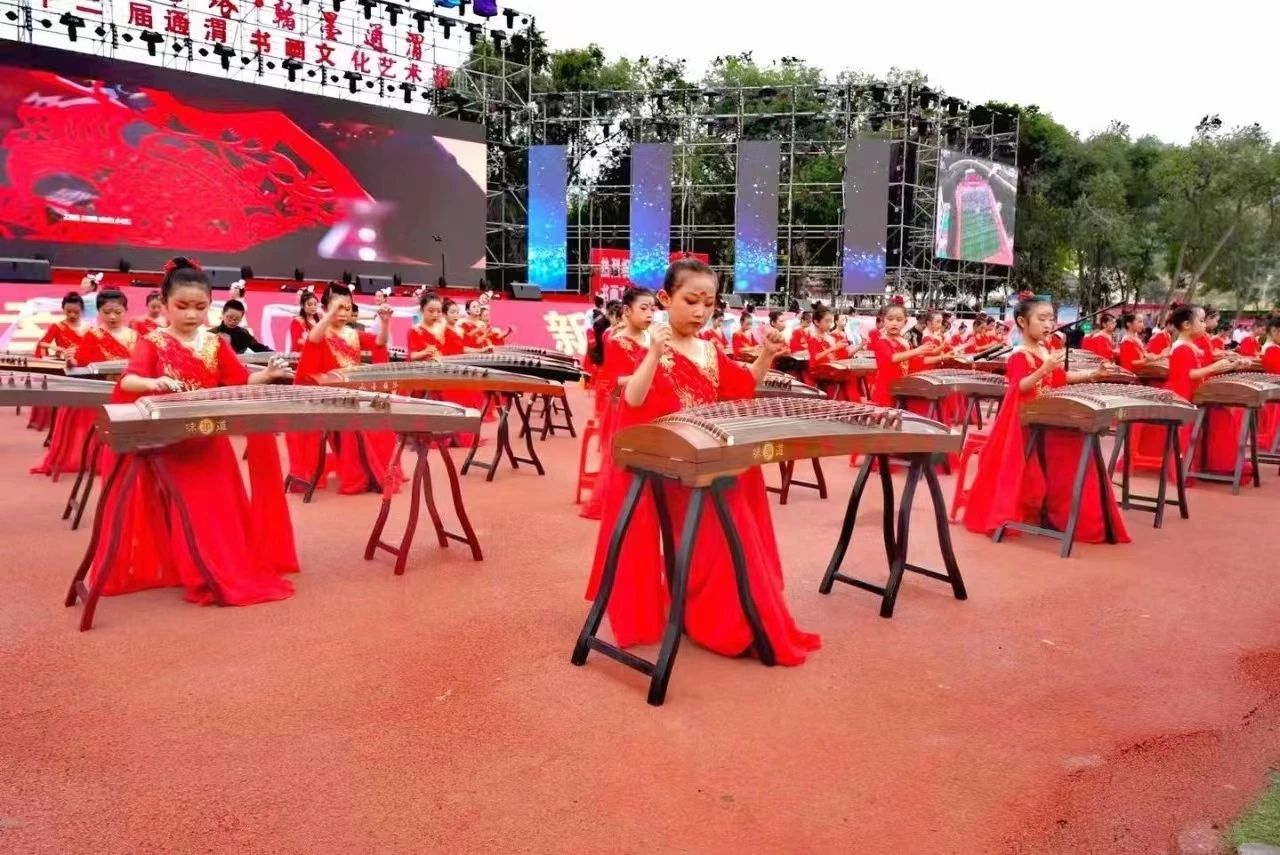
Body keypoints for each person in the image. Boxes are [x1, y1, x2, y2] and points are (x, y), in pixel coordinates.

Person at [583, 258, 819, 665]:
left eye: (708, 304)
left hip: (709, 459)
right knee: (723, 533)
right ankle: (722, 623)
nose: (699, 311)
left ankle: (727, 621)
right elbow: (633, 398)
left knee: (733, 531)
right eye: (691, 301)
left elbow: (740, 386)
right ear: (665, 298)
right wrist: (653, 354)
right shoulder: (649, 345)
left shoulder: (710, 348)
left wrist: (766, 355)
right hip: (671, 464)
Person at [89, 257, 297, 605]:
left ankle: (217, 568)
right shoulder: (153, 341)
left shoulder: (215, 344)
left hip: (209, 437)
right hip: (171, 442)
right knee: (196, 508)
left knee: (222, 508)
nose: (191, 315)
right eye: (182, 306)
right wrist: (154, 382)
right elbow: (128, 381)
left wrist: (267, 375)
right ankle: (199, 571)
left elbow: (238, 380)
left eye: (200, 307)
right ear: (165, 304)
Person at [962, 296, 1129, 544]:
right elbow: (1019, 386)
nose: (1048, 324)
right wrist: (1044, 369)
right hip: (1029, 420)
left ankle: (1072, 516)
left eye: (1051, 319)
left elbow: (1062, 376)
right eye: (1041, 319)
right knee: (1071, 451)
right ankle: (1066, 516)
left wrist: (1093, 373)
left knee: (1080, 445)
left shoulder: (1045, 349)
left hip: (1049, 416)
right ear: (1022, 322)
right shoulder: (1019, 354)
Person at [286, 283, 400, 495]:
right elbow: (313, 339)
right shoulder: (321, 331)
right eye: (339, 307)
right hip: (327, 396)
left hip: (351, 394)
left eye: (347, 308)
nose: (344, 312)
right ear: (326, 308)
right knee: (354, 422)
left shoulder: (352, 333)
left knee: (381, 418)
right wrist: (330, 314)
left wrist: (385, 322)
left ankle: (372, 471)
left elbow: (379, 342)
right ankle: (359, 475)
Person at [32, 289, 137, 477]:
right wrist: (70, 360)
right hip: (101, 389)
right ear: (98, 312)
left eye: (118, 312)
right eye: (106, 312)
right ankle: (96, 461)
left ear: (126, 311)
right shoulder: (93, 334)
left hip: (126, 389)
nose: (112, 317)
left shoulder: (134, 335)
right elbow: (80, 362)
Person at [580, 287, 655, 521]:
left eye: (652, 309)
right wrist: (646, 376)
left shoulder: (652, 339)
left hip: (649, 406)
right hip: (622, 407)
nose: (650, 314)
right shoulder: (617, 341)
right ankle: (616, 505)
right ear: (627, 311)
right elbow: (614, 380)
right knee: (620, 461)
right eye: (644, 308)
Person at [29, 292, 89, 434]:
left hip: (83, 365)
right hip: (65, 366)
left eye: (76, 312)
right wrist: (59, 349)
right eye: (68, 312)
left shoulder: (88, 328)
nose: (72, 315)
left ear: (82, 310)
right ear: (63, 310)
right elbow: (43, 343)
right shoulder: (57, 326)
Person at [870, 300, 940, 407]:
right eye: (890, 319)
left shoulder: (904, 342)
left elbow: (914, 362)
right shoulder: (881, 342)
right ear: (883, 320)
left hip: (902, 387)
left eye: (899, 320)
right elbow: (891, 358)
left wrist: (942, 357)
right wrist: (916, 351)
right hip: (886, 389)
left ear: (905, 322)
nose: (894, 323)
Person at [808, 305, 859, 401]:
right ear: (816, 322)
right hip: (819, 369)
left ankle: (851, 402)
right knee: (846, 375)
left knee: (850, 374)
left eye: (830, 321)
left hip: (831, 367)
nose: (829, 324)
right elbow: (815, 357)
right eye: (826, 321)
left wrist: (841, 347)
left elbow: (836, 356)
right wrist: (834, 348)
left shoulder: (830, 337)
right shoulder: (813, 339)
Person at [288, 288, 320, 354]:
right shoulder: (297, 321)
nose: (313, 307)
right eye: (309, 304)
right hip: (302, 355)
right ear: (302, 305)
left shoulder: (319, 322)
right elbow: (297, 342)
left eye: (315, 304)